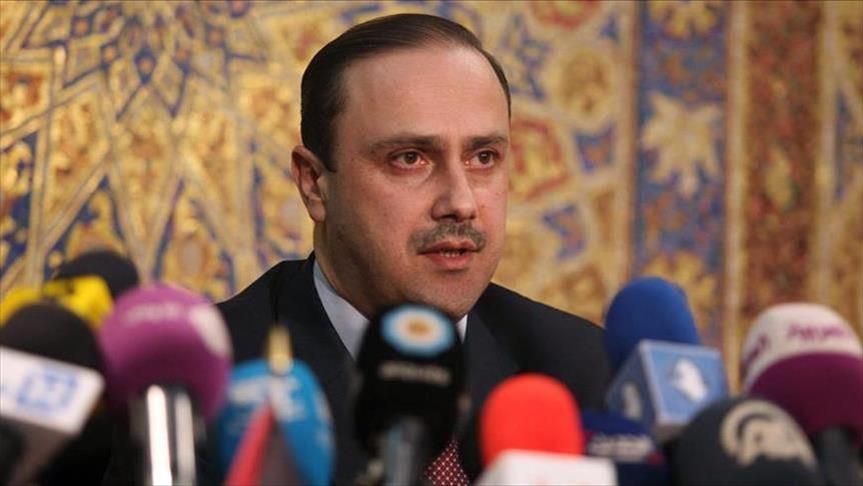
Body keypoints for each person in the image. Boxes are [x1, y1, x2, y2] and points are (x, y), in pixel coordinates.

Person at [218, 13, 610, 485]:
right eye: (410, 158)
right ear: (314, 183)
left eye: (483, 157)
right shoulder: (208, 386)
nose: (461, 203)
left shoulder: (580, 371)